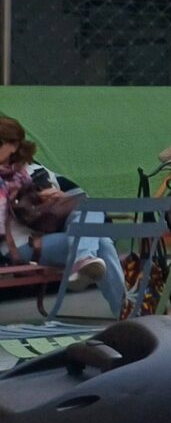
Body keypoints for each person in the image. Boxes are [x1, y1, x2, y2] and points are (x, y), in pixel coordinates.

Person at [0, 117, 126, 317]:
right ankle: (126, 312)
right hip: (23, 244)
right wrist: (15, 202)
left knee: (87, 206)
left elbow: (80, 199)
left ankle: (84, 259)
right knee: (101, 242)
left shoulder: (36, 170)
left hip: (61, 233)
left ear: (14, 145)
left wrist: (60, 198)